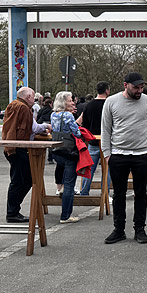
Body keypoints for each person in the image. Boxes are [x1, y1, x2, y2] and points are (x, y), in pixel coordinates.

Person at [102, 72, 147, 245]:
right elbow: (106, 129)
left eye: (141, 87)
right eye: (136, 87)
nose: (139, 90)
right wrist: (107, 153)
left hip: (141, 154)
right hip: (118, 154)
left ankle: (139, 229)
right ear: (125, 85)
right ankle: (119, 229)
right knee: (118, 194)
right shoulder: (111, 102)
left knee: (141, 193)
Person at [1, 87, 51, 223]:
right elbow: (32, 128)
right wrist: (46, 127)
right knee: (23, 180)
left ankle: (13, 211)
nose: (34, 101)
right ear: (28, 96)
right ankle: (12, 212)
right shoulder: (23, 108)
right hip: (19, 148)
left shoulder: (13, 105)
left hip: (11, 147)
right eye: (33, 98)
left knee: (21, 180)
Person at [51, 91, 82, 223]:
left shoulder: (53, 115)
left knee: (64, 180)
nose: (73, 102)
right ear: (64, 102)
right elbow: (77, 132)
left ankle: (65, 212)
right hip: (69, 151)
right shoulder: (68, 115)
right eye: (70, 100)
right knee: (69, 184)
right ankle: (66, 215)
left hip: (57, 150)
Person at [78, 82, 109, 196]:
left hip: (92, 140)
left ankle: (84, 192)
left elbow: (84, 124)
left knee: (89, 168)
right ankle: (105, 193)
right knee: (107, 170)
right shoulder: (109, 104)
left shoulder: (89, 105)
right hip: (107, 141)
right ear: (107, 91)